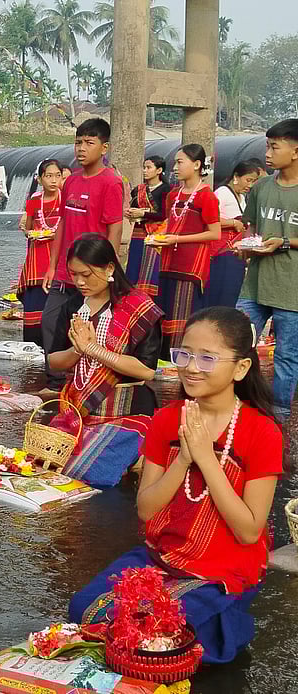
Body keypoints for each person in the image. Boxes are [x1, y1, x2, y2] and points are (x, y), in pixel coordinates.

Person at [69, 307, 286, 664]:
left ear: (241, 368)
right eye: (184, 354)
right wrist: (183, 459)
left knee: (164, 632)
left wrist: (205, 458)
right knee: (84, 610)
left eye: (207, 358)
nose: (191, 366)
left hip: (222, 570)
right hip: (163, 555)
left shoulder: (261, 432)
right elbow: (146, 509)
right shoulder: (169, 418)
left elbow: (249, 532)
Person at [46, 234, 162, 476]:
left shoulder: (139, 307)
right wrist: (77, 350)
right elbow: (54, 360)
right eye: (73, 274)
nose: (79, 282)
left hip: (127, 411)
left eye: (86, 275)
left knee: (90, 472)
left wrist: (94, 350)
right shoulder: (73, 306)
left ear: (109, 267)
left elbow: (146, 370)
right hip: (78, 411)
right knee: (44, 463)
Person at [42, 118, 126, 392]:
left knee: (88, 328)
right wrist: (52, 266)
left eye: (90, 143)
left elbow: (114, 229)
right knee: (50, 323)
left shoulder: (111, 182)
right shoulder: (71, 181)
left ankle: (83, 384)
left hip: (92, 272)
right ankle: (54, 384)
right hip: (65, 271)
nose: (81, 148)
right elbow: (63, 224)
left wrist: (107, 270)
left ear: (105, 148)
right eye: (78, 142)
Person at [237, 118, 298, 419]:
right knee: (236, 342)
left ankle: (279, 418)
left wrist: (284, 242)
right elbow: (251, 228)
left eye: (274, 146)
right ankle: (239, 408)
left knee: (287, 357)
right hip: (255, 283)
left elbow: (279, 239)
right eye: (267, 146)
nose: (268, 153)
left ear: (296, 151)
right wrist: (246, 246)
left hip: (292, 288)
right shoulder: (260, 187)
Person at [154, 144, 221, 355]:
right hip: (168, 263)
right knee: (164, 312)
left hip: (191, 267)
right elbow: (169, 223)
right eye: (175, 162)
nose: (175, 167)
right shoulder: (172, 195)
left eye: (180, 162)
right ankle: (163, 361)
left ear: (197, 165)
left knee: (184, 315)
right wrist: (161, 237)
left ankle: (182, 361)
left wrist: (177, 239)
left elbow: (214, 233)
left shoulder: (206, 196)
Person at [18, 159, 64, 346]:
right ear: (40, 179)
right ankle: (34, 344)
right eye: (49, 176)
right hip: (37, 257)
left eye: (57, 176)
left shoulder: (66, 198)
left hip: (59, 255)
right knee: (35, 300)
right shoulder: (33, 202)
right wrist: (31, 233)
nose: (53, 180)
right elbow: (28, 229)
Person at [207, 160, 263, 309]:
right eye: (248, 180)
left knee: (232, 292)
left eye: (253, 182)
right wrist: (233, 223)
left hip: (235, 252)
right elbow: (208, 218)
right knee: (220, 291)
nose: (250, 185)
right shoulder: (223, 193)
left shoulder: (242, 198)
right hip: (222, 253)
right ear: (236, 176)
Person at [125, 156, 170, 296]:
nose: (145, 171)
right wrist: (131, 213)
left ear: (159, 170)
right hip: (138, 233)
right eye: (144, 167)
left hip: (155, 234)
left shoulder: (166, 189)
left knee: (151, 271)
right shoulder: (138, 190)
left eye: (148, 167)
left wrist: (144, 213)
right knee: (134, 268)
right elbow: (132, 206)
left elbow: (163, 214)